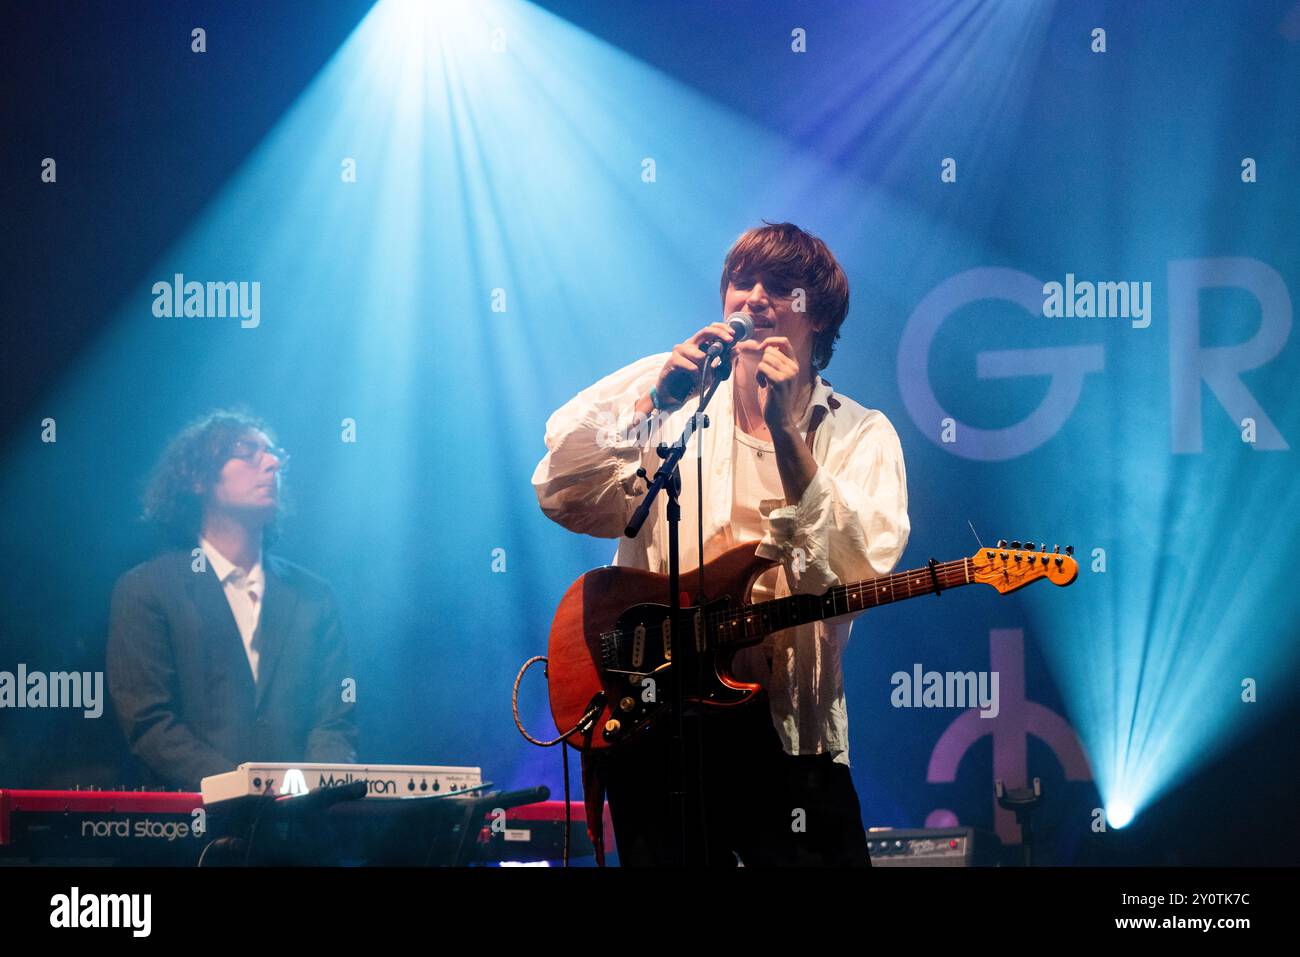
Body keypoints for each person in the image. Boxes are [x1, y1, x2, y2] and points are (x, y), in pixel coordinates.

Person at [533, 222, 910, 865]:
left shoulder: (860, 435)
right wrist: (654, 402)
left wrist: (788, 431)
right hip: (658, 728)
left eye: (781, 288)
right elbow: (560, 490)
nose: (754, 298)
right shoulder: (670, 393)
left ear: (815, 317)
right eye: (742, 282)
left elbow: (858, 566)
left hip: (792, 739)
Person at [107, 410, 357, 791]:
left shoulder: (313, 595)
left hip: (302, 839)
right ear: (196, 478)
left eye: (274, 454)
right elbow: (150, 722)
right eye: (247, 452)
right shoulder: (146, 589)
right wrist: (245, 790)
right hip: (191, 835)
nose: (271, 463)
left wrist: (312, 795)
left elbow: (334, 720)